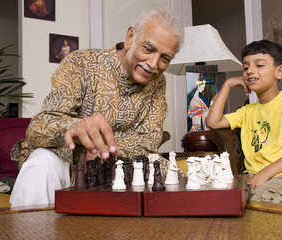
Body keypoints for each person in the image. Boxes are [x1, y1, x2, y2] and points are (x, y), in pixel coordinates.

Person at [10, 6, 184, 207]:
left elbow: (149, 141)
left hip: (116, 172)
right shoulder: (81, 63)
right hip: (67, 167)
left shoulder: (158, 82)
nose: (153, 64)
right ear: (130, 38)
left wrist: (104, 151)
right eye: (148, 49)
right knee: (43, 163)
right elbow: (38, 128)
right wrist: (75, 129)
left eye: (165, 58)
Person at [206, 40, 282, 206]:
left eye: (259, 65)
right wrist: (227, 84)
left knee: (259, 205)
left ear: (279, 72)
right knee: (221, 203)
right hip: (257, 177)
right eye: (246, 67)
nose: (250, 71)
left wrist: (263, 175)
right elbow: (213, 122)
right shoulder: (247, 111)